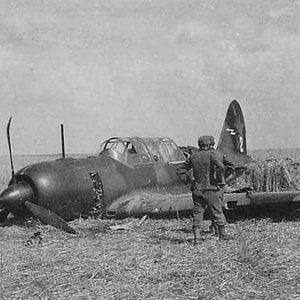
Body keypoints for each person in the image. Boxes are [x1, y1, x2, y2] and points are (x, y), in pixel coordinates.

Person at [177, 135, 235, 244]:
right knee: (217, 211)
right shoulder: (218, 154)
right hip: (213, 189)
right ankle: (222, 234)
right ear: (211, 144)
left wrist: (188, 180)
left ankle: (197, 238)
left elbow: (180, 170)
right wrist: (222, 179)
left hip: (197, 189)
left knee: (197, 213)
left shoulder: (193, 157)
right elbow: (231, 166)